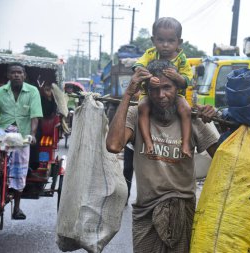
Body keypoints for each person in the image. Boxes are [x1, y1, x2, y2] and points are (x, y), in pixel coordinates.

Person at [106, 60, 218, 252]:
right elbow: (114, 145)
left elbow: (223, 157)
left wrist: (216, 115)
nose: (161, 95)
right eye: (154, 90)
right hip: (146, 212)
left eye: (167, 88)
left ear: (177, 88)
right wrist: (128, 95)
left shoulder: (192, 118)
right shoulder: (136, 113)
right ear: (147, 91)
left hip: (183, 209)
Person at [132, 17, 194, 157]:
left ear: (179, 42)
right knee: (142, 108)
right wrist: (148, 77)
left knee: (185, 109)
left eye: (171, 41)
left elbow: (187, 79)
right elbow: (138, 66)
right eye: (160, 40)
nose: (165, 45)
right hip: (150, 94)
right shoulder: (150, 54)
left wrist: (178, 77)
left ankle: (185, 144)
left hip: (175, 97)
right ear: (154, 40)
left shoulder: (181, 59)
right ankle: (148, 142)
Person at [0, 63, 43, 219]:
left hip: (23, 136)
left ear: (24, 76)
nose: (16, 75)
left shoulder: (32, 91)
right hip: (2, 133)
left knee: (20, 172)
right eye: (13, 73)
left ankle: (17, 208)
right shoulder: (0, 92)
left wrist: (32, 134)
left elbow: (35, 115)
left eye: (19, 73)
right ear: (8, 76)